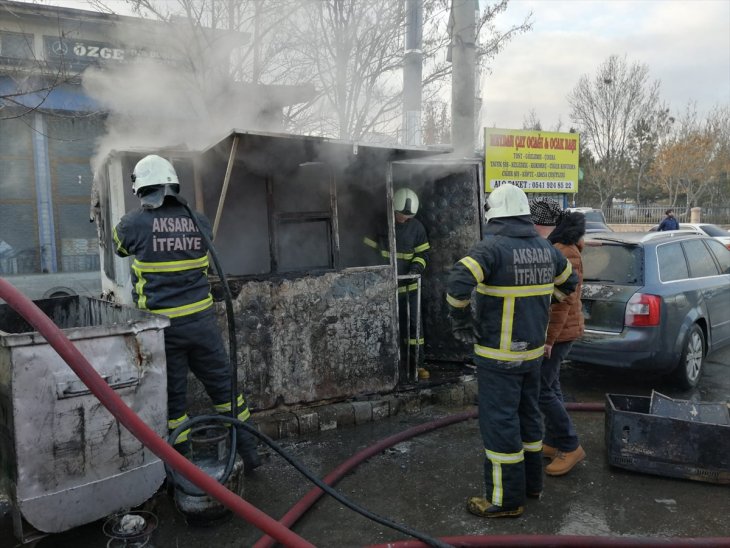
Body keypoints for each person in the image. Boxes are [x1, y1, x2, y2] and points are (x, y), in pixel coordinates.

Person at [112, 154, 262, 473]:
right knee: (226, 392)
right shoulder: (199, 220)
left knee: (174, 404)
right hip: (203, 325)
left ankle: (183, 472)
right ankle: (251, 456)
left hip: (163, 330)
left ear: (140, 189)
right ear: (172, 183)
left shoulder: (131, 224)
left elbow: (119, 247)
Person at [446, 184, 578, 518]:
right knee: (528, 418)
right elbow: (570, 283)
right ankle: (531, 486)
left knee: (500, 423)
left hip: (498, 358)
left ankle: (505, 500)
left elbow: (458, 282)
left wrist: (461, 320)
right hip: (532, 356)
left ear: (494, 213)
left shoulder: (491, 249)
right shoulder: (545, 249)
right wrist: (541, 303)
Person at [529, 198, 587, 476]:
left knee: (541, 389)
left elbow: (563, 302)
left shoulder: (563, 251)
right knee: (551, 387)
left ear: (545, 225)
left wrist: (548, 340)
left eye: (534, 223)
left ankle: (570, 445)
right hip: (559, 333)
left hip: (560, 334)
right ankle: (553, 441)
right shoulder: (558, 247)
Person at [364, 188, 431, 380]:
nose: (405, 218)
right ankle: (389, 366)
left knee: (414, 328)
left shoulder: (417, 227)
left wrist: (415, 270)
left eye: (409, 216)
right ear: (392, 209)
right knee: (388, 326)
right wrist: (377, 272)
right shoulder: (379, 224)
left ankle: (418, 364)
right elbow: (366, 250)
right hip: (384, 287)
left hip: (410, 288)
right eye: (402, 214)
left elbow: (423, 254)